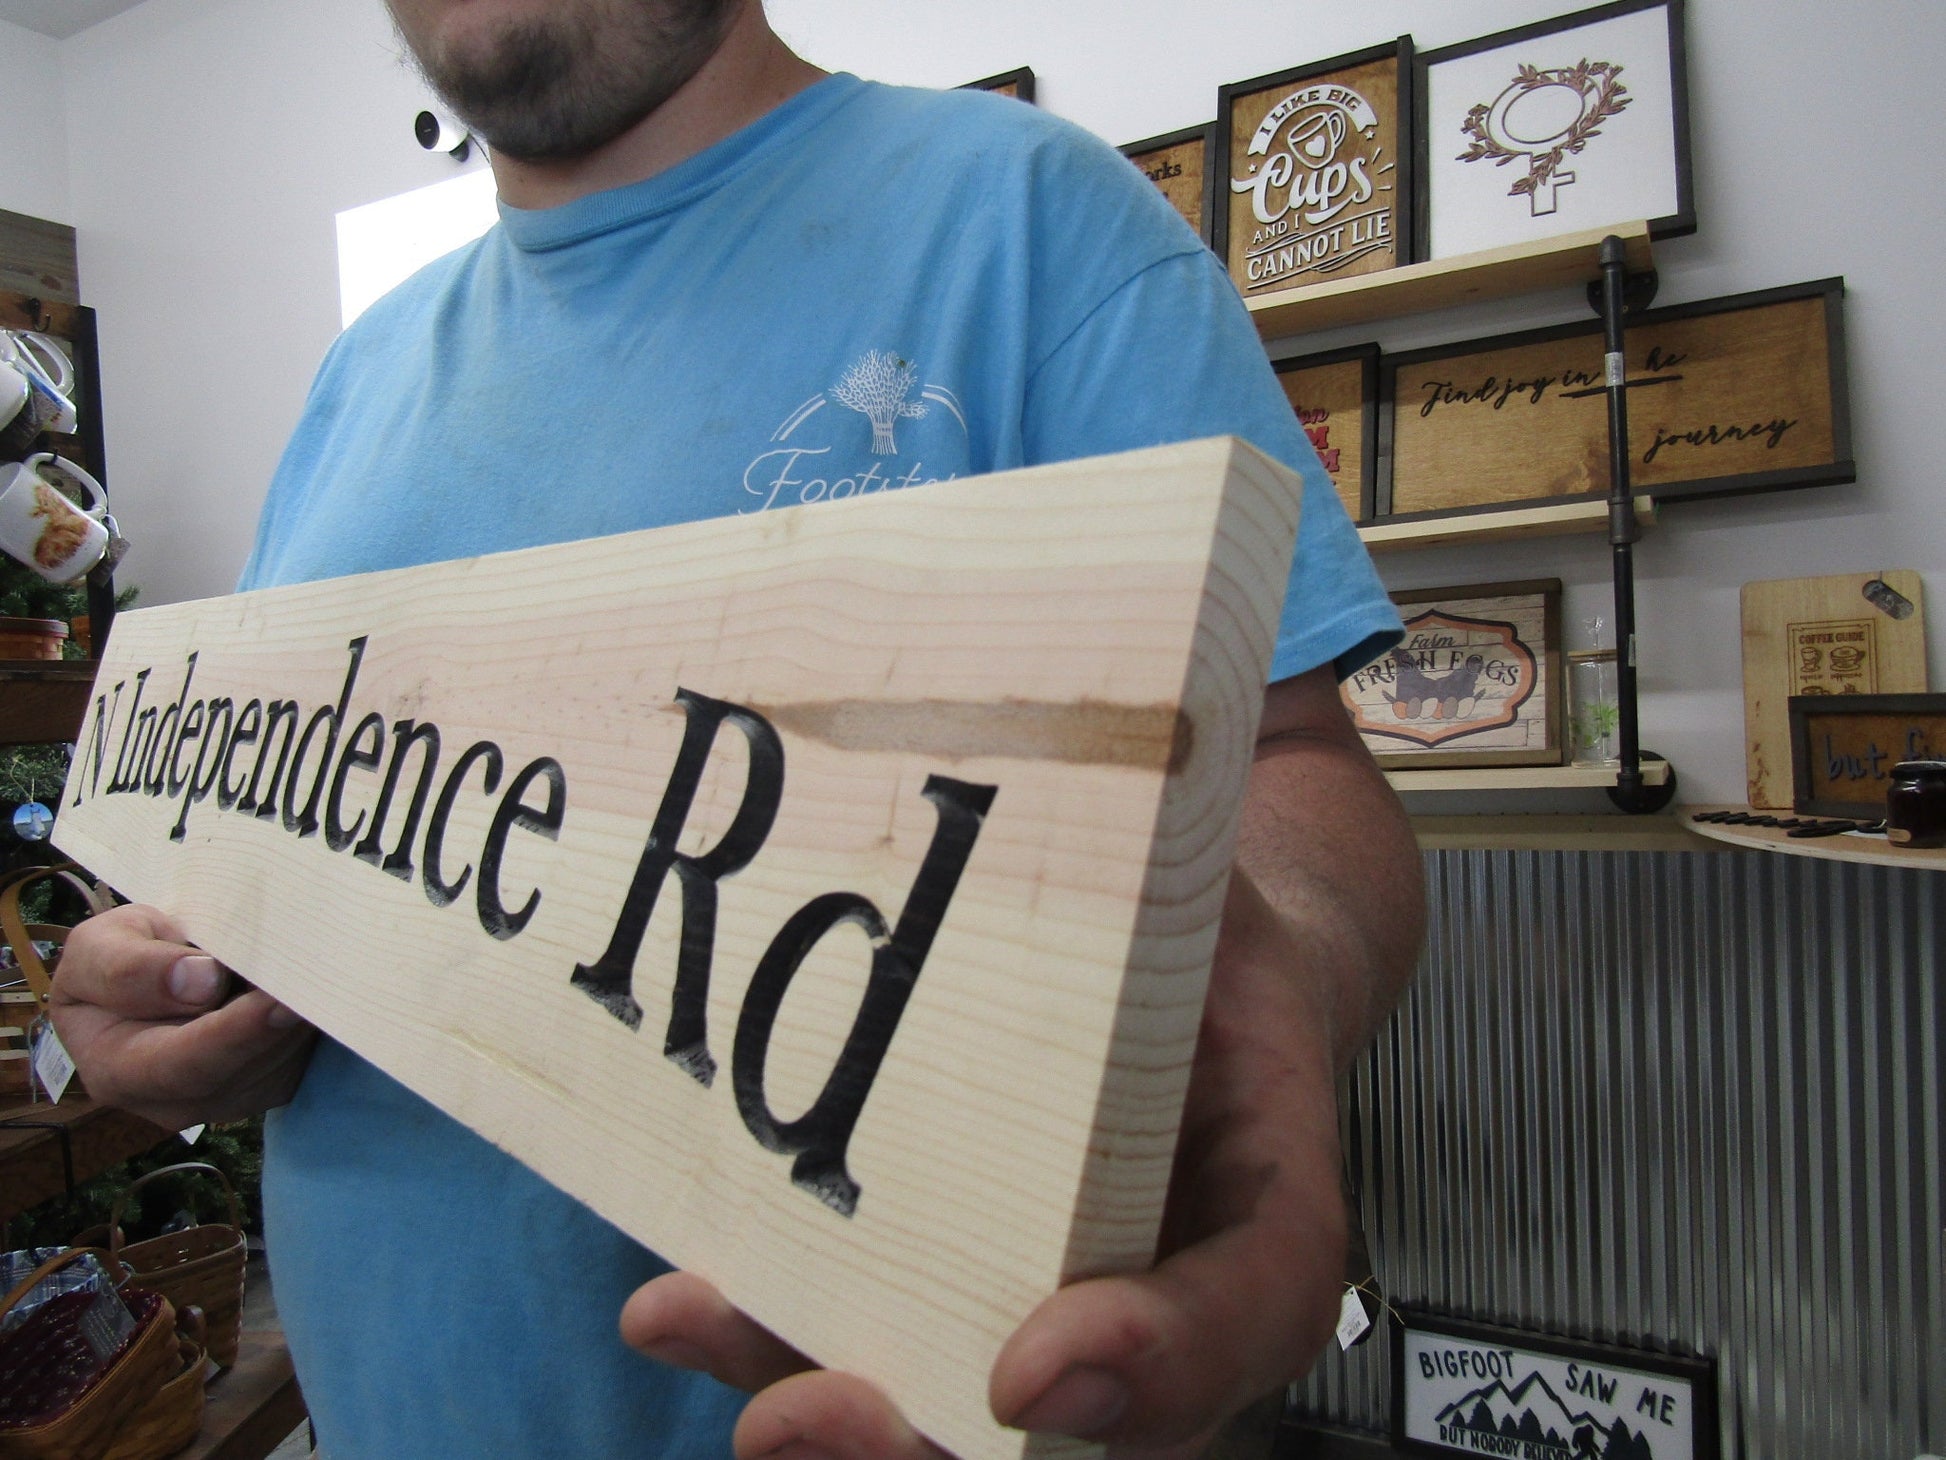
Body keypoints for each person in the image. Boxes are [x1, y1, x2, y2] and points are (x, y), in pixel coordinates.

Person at [49, 2, 1426, 1456]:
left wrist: (1270, 985)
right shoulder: (358, 374)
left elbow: (1288, 768)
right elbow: (285, 870)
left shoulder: (1033, 217)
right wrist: (179, 1000)